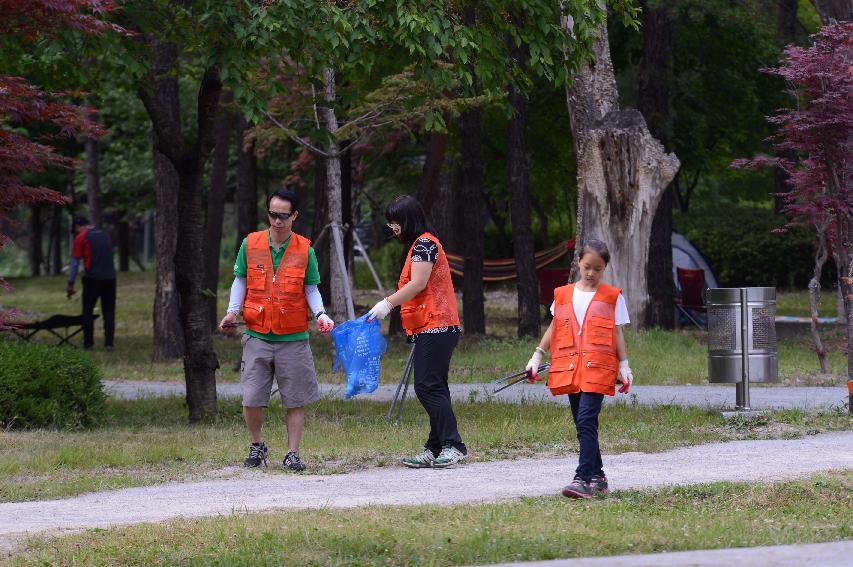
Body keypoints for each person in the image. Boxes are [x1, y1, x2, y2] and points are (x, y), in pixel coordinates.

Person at [219, 189, 334, 471]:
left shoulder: (305, 249)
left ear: (294, 216)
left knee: (295, 399)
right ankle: (257, 445)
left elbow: (311, 288)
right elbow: (240, 280)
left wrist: (320, 314)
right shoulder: (251, 243)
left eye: (283, 215)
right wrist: (232, 311)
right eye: (272, 214)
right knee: (251, 397)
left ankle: (292, 453)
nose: (277, 221)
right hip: (257, 333)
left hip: (293, 337)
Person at [525, 239, 634, 498]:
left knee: (586, 419)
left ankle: (582, 478)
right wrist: (537, 357)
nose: (591, 273)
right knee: (582, 423)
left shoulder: (612, 297)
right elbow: (553, 328)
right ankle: (598, 476)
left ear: (605, 267)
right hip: (570, 369)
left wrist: (625, 365)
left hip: (598, 369)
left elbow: (617, 333)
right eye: (587, 267)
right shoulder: (563, 294)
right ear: (578, 263)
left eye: (598, 268)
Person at [367, 195, 466, 469]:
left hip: (438, 326)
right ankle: (435, 447)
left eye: (396, 222)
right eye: (390, 223)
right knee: (435, 386)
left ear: (409, 220)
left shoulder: (423, 244)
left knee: (426, 386)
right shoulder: (420, 245)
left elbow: (418, 283)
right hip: (432, 327)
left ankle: (453, 444)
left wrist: (387, 303)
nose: (393, 228)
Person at [67, 216, 116, 350]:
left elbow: (75, 262)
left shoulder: (81, 237)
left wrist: (70, 283)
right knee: (109, 312)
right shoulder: (105, 235)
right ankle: (109, 344)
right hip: (110, 278)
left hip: (92, 279)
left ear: (78, 226)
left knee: (87, 311)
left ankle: (88, 343)